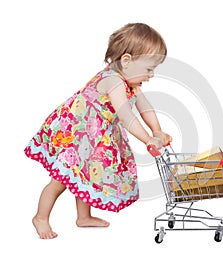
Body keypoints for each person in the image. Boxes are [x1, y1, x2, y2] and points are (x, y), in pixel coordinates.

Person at [24, 23, 172, 239]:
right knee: (60, 180)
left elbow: (144, 106)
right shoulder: (113, 81)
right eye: (149, 69)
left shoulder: (132, 82)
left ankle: (83, 217)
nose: (152, 74)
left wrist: (158, 130)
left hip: (93, 137)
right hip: (75, 134)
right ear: (127, 61)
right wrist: (148, 139)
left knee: (86, 173)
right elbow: (126, 116)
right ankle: (40, 217)